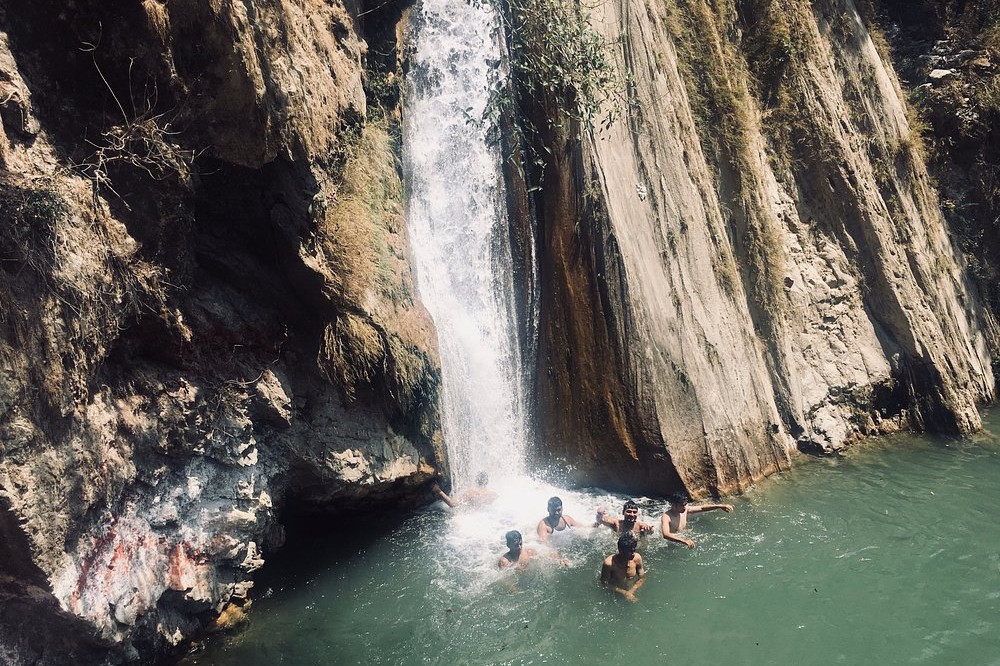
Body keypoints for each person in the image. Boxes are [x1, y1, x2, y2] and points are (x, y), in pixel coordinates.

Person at [660, 491, 734, 548]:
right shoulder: (666, 517)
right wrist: (684, 541)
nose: (684, 507)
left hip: (682, 538)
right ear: (674, 505)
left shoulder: (684, 510)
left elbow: (702, 508)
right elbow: (666, 535)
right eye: (682, 505)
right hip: (670, 544)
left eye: (685, 505)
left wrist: (719, 506)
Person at [600, 532, 646, 602]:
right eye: (630, 551)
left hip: (631, 592)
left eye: (634, 550)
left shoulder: (637, 558)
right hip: (614, 594)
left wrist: (631, 591)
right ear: (621, 550)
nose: (633, 554)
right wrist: (624, 593)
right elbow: (604, 583)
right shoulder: (609, 564)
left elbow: (642, 578)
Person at [432, 472, 497, 508]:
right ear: (487, 482)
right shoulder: (493, 494)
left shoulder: (471, 492)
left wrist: (438, 491)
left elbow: (453, 504)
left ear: (476, 481)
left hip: (474, 519)